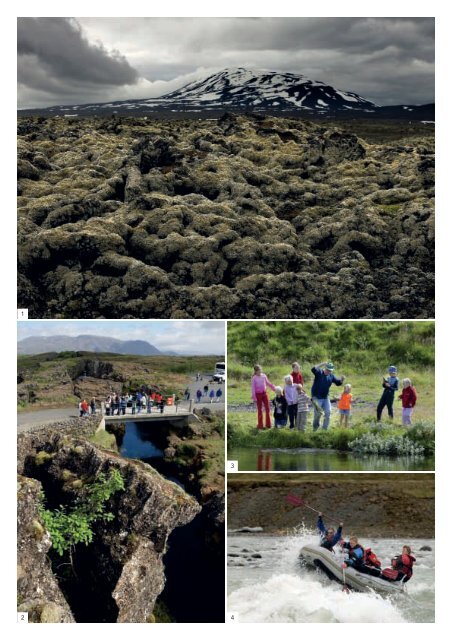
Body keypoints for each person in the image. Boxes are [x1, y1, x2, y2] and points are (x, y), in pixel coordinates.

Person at [311, 362, 345, 430]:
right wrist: (322, 363)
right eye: (327, 369)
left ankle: (325, 429)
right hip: (316, 398)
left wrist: (342, 380)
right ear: (325, 368)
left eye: (330, 370)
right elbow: (313, 369)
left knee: (328, 412)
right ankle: (315, 428)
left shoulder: (331, 376)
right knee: (318, 414)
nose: (328, 371)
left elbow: (338, 383)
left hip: (325, 397)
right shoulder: (319, 373)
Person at [251, 364, 276, 430]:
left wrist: (274, 388)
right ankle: (260, 425)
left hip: (264, 394)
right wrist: (254, 397)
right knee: (260, 410)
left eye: (260, 370)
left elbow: (268, 383)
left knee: (267, 409)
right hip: (258, 395)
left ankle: (268, 424)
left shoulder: (264, 376)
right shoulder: (254, 378)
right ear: (255, 371)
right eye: (258, 371)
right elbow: (253, 388)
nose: (260, 372)